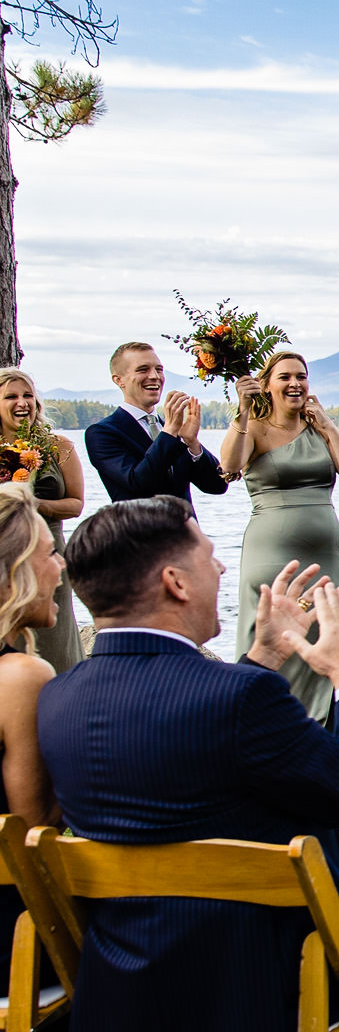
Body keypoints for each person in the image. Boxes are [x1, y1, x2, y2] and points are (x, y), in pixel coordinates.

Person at [42, 497, 339, 1032]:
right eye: (209, 556)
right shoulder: (238, 702)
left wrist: (263, 655)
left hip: (127, 964)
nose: (224, 568)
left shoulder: (58, 698)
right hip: (262, 957)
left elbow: (185, 728)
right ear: (175, 582)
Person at [220, 351, 339, 721]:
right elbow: (229, 466)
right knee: (276, 635)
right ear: (267, 385)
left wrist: (329, 426)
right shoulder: (253, 426)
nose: (295, 383)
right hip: (271, 555)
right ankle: (266, 721)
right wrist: (242, 409)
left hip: (327, 556)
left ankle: (323, 731)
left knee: (325, 631)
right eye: (284, 377)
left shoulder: (317, 427)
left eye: (301, 376)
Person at [0, 482, 67, 989]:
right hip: (13, 937)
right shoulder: (21, 677)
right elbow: (33, 832)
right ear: (13, 573)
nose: (60, 566)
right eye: (49, 553)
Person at [0, 367, 86, 671]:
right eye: (11, 396)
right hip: (3, 560)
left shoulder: (57, 446)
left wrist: (32, 503)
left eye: (28, 395)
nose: (22, 402)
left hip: (47, 554)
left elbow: (75, 504)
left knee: (56, 639)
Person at [83, 340, 228, 507]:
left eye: (159, 369)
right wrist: (169, 433)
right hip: (139, 531)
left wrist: (192, 443)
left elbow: (217, 486)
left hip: (187, 530)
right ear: (119, 380)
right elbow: (138, 482)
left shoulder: (173, 430)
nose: (154, 376)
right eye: (143, 370)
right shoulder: (102, 433)